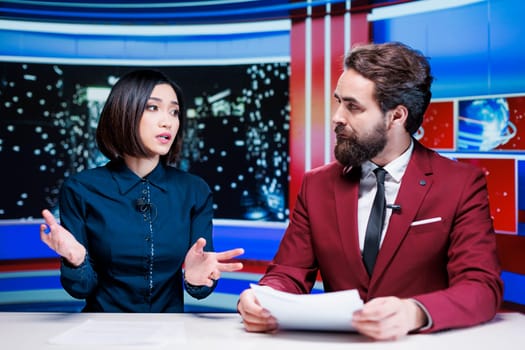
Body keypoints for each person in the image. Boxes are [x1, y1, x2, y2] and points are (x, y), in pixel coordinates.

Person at [237, 42, 503, 340]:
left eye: (353, 106)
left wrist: (415, 311)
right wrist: (261, 298)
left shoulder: (461, 184)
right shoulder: (317, 185)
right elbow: (288, 273)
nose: (337, 117)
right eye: (338, 101)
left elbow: (481, 288)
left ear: (397, 116)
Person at [40, 69, 244, 312]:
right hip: (101, 333)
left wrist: (196, 278)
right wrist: (75, 259)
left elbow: (200, 286)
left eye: (174, 111)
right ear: (124, 112)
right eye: (153, 107)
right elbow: (80, 289)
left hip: (170, 335)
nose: (167, 121)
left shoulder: (194, 190)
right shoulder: (81, 188)